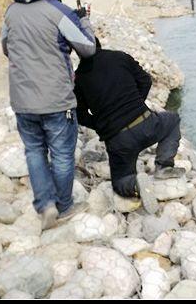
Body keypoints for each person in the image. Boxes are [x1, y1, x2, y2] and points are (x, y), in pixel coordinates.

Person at [1, 0, 96, 229]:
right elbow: (88, 49)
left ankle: (45, 206)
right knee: (62, 154)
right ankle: (63, 207)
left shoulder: (11, 11)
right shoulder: (59, 11)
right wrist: (83, 19)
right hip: (56, 100)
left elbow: (6, 47)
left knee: (34, 150)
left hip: (22, 100)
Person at [73, 38, 184, 214]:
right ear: (100, 44)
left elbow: (80, 115)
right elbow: (145, 81)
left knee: (120, 181)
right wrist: (137, 105)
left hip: (119, 140)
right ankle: (164, 166)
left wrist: (104, 126)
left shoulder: (78, 79)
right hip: (146, 124)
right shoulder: (120, 57)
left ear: (78, 52)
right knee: (172, 121)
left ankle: (135, 183)